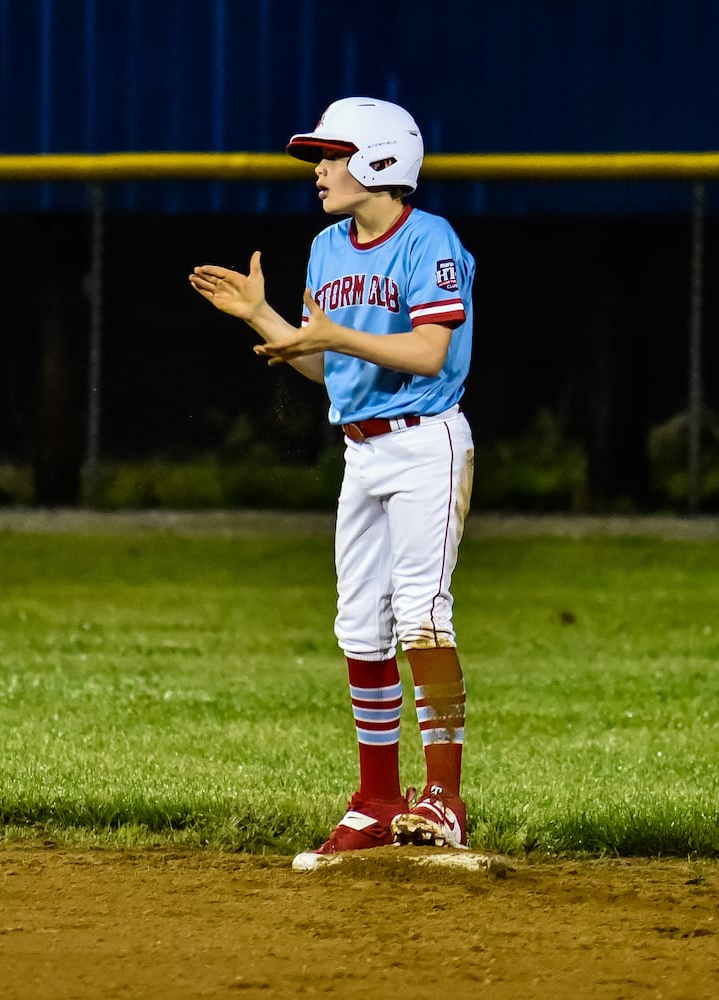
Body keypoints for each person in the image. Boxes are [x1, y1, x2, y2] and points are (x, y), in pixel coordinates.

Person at [188, 98, 475, 870]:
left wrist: (332, 334)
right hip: (361, 452)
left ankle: (443, 799)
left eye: (331, 154)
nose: (317, 170)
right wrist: (263, 319)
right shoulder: (325, 248)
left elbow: (427, 355)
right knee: (359, 626)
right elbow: (329, 365)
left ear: (380, 159)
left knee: (420, 613)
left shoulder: (428, 240)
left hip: (426, 444)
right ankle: (377, 799)